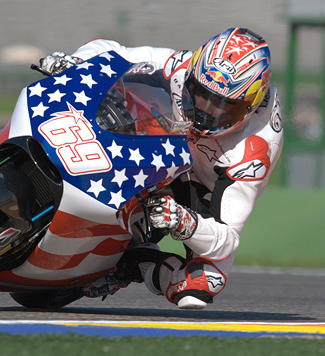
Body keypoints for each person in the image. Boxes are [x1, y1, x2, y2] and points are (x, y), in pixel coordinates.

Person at [37, 28, 284, 309]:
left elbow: (226, 242)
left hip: (202, 184)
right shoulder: (180, 66)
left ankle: (133, 263)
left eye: (224, 107)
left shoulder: (254, 151)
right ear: (193, 72)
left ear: (249, 108)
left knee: (201, 286)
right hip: (163, 139)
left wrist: (184, 222)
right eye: (201, 93)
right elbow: (110, 50)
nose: (206, 110)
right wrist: (73, 63)